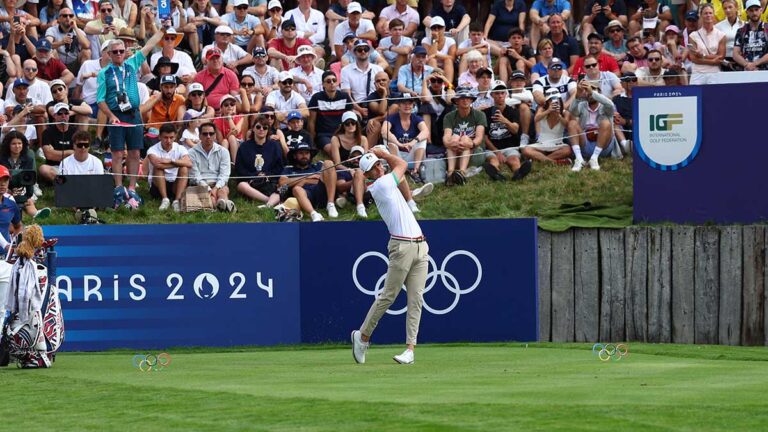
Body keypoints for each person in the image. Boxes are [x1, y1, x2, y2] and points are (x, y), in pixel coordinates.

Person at [351, 146, 430, 365]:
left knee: (416, 299)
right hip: (401, 247)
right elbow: (403, 165)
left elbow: (400, 174)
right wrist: (385, 154)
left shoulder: (388, 182)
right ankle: (363, 336)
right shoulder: (381, 185)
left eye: (378, 164)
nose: (379, 167)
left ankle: (410, 350)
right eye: (374, 167)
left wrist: (383, 156)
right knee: (388, 296)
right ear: (368, 176)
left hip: (420, 246)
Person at [97, 27, 164, 202]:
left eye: (121, 51)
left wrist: (162, 30)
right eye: (115, 52)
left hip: (134, 115)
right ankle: (119, 187)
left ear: (125, 52)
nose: (119, 54)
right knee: (117, 153)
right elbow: (100, 100)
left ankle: (132, 187)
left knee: (135, 152)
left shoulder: (132, 64)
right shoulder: (104, 73)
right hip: (117, 116)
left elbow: (149, 46)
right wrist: (111, 116)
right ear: (109, 54)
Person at [482, 80, 531, 181]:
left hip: (510, 146)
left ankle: (518, 173)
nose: (500, 96)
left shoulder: (513, 111)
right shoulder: (485, 113)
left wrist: (504, 121)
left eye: (502, 92)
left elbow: (515, 130)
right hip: (492, 148)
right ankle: (495, 174)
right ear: (492, 95)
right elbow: (485, 137)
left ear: (506, 94)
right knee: (493, 160)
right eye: (497, 93)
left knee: (514, 160)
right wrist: (497, 152)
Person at [278, 141, 338, 222]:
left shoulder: (318, 165)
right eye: (301, 153)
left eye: (307, 153)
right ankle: (314, 214)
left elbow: (328, 180)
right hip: (304, 197)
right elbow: (282, 183)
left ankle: (330, 204)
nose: (304, 155)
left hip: (321, 192)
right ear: (295, 155)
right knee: (297, 189)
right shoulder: (289, 169)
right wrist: (307, 178)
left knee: (329, 163)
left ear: (310, 155)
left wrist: (300, 181)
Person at [235, 115, 285, 207]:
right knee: (241, 185)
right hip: (251, 181)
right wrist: (254, 175)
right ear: (253, 129)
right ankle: (268, 200)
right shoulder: (244, 146)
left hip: (270, 181)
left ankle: (269, 204)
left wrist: (267, 175)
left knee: (284, 186)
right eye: (258, 127)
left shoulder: (275, 146)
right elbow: (239, 168)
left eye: (265, 127)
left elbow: (279, 167)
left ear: (268, 130)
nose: (261, 129)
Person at [567, 80, 616, 172]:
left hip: (604, 146)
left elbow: (610, 104)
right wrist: (577, 95)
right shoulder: (582, 105)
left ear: (599, 91)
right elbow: (572, 111)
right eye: (586, 89)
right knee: (572, 123)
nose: (588, 91)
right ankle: (579, 159)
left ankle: (594, 158)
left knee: (605, 123)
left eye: (592, 88)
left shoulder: (605, 105)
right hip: (586, 142)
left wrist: (592, 92)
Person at [442, 87, 486, 186]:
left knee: (465, 139)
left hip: (475, 153)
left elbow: (479, 138)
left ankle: (461, 173)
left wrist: (470, 144)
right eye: (462, 98)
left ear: (471, 100)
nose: (465, 100)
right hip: (455, 151)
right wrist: (450, 143)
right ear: (456, 101)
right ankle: (451, 173)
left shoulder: (479, 115)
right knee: (454, 138)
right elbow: (446, 136)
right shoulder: (449, 116)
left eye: (468, 98)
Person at [188, 122, 236, 213]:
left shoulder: (223, 151)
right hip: (200, 184)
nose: (208, 136)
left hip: (218, 183)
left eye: (211, 133)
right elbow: (195, 176)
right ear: (200, 136)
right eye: (205, 134)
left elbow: (225, 174)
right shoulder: (191, 152)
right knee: (213, 199)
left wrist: (216, 187)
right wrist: (209, 189)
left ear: (215, 136)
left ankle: (222, 204)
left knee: (223, 191)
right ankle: (226, 206)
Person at [0, 131, 49, 219]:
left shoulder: (28, 159)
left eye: (19, 143)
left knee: (26, 200)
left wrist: (25, 194)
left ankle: (35, 214)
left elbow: (29, 179)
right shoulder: (1, 159)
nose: (17, 146)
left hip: (21, 188)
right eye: (13, 144)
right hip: (4, 188)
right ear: (8, 145)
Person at [381, 95, 429, 183]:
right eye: (404, 103)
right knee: (388, 140)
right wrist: (399, 144)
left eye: (410, 103)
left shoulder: (416, 118)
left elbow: (426, 131)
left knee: (422, 139)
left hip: (411, 154)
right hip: (396, 154)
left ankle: (415, 171)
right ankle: (397, 170)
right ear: (399, 105)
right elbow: (384, 131)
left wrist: (412, 142)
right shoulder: (391, 118)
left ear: (413, 105)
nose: (407, 106)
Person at [146, 123, 192, 212]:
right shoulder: (152, 149)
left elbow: (189, 163)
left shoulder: (180, 148)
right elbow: (158, 165)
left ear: (175, 137)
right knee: (158, 168)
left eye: (171, 137)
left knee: (184, 168)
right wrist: (179, 163)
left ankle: (176, 201)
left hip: (176, 184)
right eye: (165, 137)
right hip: (157, 186)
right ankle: (165, 199)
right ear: (159, 137)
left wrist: (171, 161)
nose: (169, 141)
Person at [521, 88, 572, 163]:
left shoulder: (565, 113)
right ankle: (555, 162)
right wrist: (548, 111)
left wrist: (559, 116)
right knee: (526, 150)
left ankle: (540, 160)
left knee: (567, 150)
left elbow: (567, 125)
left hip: (557, 144)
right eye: (551, 100)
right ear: (547, 102)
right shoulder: (542, 109)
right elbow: (536, 119)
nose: (554, 102)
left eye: (556, 99)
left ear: (560, 100)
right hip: (542, 144)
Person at [308, 70, 354, 153]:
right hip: (324, 135)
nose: (332, 83)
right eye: (328, 81)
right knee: (332, 150)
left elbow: (350, 117)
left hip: (342, 133)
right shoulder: (316, 98)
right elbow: (311, 122)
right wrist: (312, 142)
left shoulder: (344, 96)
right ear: (323, 84)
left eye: (334, 80)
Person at [0, 164, 22, 333]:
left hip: (4, 262)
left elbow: (18, 226)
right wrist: (6, 244)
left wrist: (15, 242)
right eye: (0, 180)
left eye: (5, 180)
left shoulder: (10, 204)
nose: (2, 184)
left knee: (1, 310)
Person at [687, 4, 726, 85]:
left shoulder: (721, 35)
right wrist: (713, 61)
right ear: (701, 15)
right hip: (697, 73)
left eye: (710, 13)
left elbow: (721, 56)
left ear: (713, 14)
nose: (708, 15)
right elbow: (693, 58)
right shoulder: (693, 36)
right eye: (705, 13)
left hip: (714, 73)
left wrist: (703, 56)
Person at [39, 102, 76, 182]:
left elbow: (78, 154)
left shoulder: (75, 132)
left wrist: (55, 152)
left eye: (66, 113)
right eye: (60, 113)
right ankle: (66, 183)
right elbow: (49, 155)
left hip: (73, 166)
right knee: (43, 169)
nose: (63, 116)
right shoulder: (47, 132)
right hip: (55, 167)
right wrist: (70, 153)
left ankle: (64, 182)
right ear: (55, 116)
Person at [733, 0, 768, 71]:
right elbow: (735, 54)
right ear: (746, 12)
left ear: (761, 10)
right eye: (751, 10)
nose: (754, 13)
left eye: (756, 10)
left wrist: (754, 64)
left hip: (765, 71)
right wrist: (747, 64)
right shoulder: (741, 31)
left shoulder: (767, 29)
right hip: (746, 71)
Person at [423, 16, 457, 84]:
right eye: (434, 28)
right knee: (432, 60)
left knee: (448, 60)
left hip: (446, 66)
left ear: (444, 28)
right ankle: (435, 83)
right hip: (431, 65)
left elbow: (452, 58)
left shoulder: (450, 41)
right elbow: (430, 56)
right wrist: (435, 40)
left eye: (439, 27)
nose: (437, 30)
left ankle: (448, 86)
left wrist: (436, 55)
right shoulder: (425, 40)